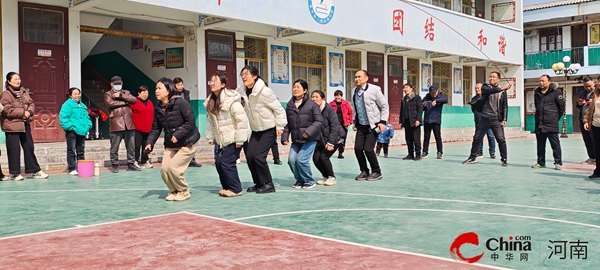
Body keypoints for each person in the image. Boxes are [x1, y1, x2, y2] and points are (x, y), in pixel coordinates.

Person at [146, 77, 200, 201]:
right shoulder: (158, 107)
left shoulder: (181, 103)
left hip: (188, 142)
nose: (156, 91)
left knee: (173, 167)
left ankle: (184, 191)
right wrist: (149, 143)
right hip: (171, 143)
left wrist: (179, 134)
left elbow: (191, 121)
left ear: (168, 89)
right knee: (164, 170)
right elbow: (156, 128)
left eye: (160, 88)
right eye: (156, 88)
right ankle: (174, 191)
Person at [238, 65, 287, 194]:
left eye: (246, 74)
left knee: (258, 156)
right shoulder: (242, 92)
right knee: (249, 156)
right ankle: (259, 183)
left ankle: (268, 184)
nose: (243, 77)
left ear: (254, 76)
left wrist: (280, 126)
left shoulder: (265, 92)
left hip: (269, 128)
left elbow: (279, 110)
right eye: (242, 74)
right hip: (256, 129)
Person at [205, 73, 249, 197]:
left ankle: (236, 188)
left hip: (234, 137)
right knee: (219, 162)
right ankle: (227, 187)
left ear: (223, 85)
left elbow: (242, 120)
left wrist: (240, 139)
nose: (212, 84)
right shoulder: (211, 101)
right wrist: (211, 137)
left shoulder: (232, 101)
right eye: (210, 81)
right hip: (221, 139)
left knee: (226, 162)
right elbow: (210, 121)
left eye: (215, 81)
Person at [0, 72, 48, 180]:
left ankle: (35, 170)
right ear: (8, 81)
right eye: (15, 79)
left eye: (19, 78)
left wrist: (29, 112)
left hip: (24, 123)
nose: (18, 81)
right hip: (12, 125)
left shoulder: (24, 91)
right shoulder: (5, 94)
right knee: (14, 149)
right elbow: (6, 110)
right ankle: (15, 173)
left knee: (29, 147)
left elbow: (31, 104)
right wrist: (23, 112)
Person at [463, 72, 510, 166]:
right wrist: (501, 88)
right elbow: (490, 91)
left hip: (496, 119)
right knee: (477, 138)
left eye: (493, 77)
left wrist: (504, 118)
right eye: (490, 76)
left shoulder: (503, 92)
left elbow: (505, 106)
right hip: (484, 118)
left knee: (501, 139)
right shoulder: (485, 87)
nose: (491, 78)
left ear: (498, 79)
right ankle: (472, 157)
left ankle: (504, 159)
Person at [282, 80, 322, 189]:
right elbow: (287, 123)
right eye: (294, 87)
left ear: (305, 90)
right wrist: (285, 136)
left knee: (301, 160)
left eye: (298, 87)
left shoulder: (312, 105)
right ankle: (299, 180)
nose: (295, 89)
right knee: (291, 160)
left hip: (310, 138)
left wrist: (308, 132)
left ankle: (309, 180)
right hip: (296, 139)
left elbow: (318, 121)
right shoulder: (290, 105)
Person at [352, 70, 389, 181]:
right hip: (361, 125)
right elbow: (356, 108)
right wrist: (355, 122)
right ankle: (364, 171)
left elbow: (384, 106)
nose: (357, 79)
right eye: (355, 77)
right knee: (358, 148)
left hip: (373, 125)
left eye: (359, 76)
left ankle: (377, 171)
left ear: (366, 78)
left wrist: (383, 122)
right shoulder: (354, 91)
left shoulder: (375, 90)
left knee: (368, 149)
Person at [104, 76, 140, 173]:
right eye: (116, 83)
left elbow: (133, 100)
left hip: (128, 123)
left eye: (120, 83)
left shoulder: (126, 92)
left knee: (131, 145)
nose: (118, 85)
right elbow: (110, 103)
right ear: (111, 84)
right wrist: (125, 102)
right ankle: (115, 165)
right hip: (116, 123)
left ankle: (131, 164)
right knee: (114, 146)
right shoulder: (108, 94)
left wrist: (121, 96)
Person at [531, 75, 565, 170]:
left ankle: (558, 162)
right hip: (539, 123)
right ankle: (541, 162)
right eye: (540, 81)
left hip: (551, 123)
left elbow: (561, 107)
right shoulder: (536, 92)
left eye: (543, 81)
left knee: (555, 144)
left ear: (549, 82)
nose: (541, 83)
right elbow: (537, 106)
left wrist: (554, 117)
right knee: (540, 145)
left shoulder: (556, 92)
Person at [311, 90, 342, 186]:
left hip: (335, 138)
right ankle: (325, 176)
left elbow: (335, 126)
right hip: (321, 140)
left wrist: (331, 142)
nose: (314, 99)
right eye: (312, 97)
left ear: (323, 99)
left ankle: (332, 177)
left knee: (324, 158)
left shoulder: (328, 109)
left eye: (317, 97)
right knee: (316, 159)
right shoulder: (312, 109)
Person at [59, 87, 93, 175]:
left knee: (81, 151)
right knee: (71, 150)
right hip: (72, 131)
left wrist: (88, 125)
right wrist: (71, 127)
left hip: (82, 131)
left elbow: (87, 117)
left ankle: (82, 168)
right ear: (70, 95)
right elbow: (63, 118)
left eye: (78, 93)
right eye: (75, 94)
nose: (77, 95)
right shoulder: (67, 105)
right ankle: (72, 168)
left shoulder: (83, 106)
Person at [174, 77, 202, 167]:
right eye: (178, 84)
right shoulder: (172, 94)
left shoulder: (186, 93)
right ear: (174, 85)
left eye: (181, 84)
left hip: (187, 119)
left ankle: (192, 159)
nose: (180, 86)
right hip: (177, 120)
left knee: (191, 138)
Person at [130, 85, 154, 169]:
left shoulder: (150, 102)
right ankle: (135, 161)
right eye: (143, 93)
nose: (145, 95)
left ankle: (144, 161)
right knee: (136, 146)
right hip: (137, 129)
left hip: (148, 129)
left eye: (147, 93)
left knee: (146, 146)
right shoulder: (134, 102)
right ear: (139, 93)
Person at [422, 85, 448, 159]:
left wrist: (436, 101)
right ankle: (425, 152)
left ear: (437, 91)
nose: (433, 94)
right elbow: (422, 106)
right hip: (427, 120)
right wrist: (424, 105)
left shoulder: (440, 97)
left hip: (436, 121)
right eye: (431, 93)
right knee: (426, 137)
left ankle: (439, 152)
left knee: (438, 137)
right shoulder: (426, 97)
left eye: (434, 93)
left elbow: (445, 99)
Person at [471, 83, 496, 159]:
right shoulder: (474, 99)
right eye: (476, 88)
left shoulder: (487, 97)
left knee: (491, 136)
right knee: (479, 137)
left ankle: (492, 152)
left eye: (478, 88)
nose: (477, 90)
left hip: (488, 120)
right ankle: (479, 152)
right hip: (479, 121)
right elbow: (473, 109)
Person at [399, 83, 423, 161]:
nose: (405, 89)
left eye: (407, 88)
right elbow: (401, 111)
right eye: (404, 88)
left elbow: (420, 110)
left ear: (411, 88)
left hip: (414, 121)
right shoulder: (404, 99)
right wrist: (401, 121)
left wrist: (418, 120)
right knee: (408, 139)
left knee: (416, 139)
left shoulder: (417, 98)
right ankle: (410, 154)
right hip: (406, 122)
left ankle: (418, 154)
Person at [329, 90, 353, 159]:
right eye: (336, 95)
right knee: (334, 138)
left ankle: (340, 152)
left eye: (339, 95)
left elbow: (351, 113)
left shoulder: (346, 104)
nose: (337, 97)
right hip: (334, 125)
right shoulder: (331, 104)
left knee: (343, 139)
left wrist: (350, 122)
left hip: (344, 124)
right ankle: (331, 151)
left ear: (341, 96)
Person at [584, 82, 600, 179]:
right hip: (596, 125)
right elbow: (590, 109)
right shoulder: (596, 94)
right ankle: (598, 171)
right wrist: (586, 121)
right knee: (597, 149)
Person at [578, 77, 595, 165]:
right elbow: (579, 104)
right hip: (582, 119)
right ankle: (591, 158)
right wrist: (580, 103)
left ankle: (597, 158)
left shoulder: (597, 92)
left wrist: (593, 102)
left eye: (589, 86)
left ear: (594, 83)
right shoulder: (583, 92)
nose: (588, 88)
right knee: (587, 140)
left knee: (594, 139)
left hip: (593, 120)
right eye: (586, 86)